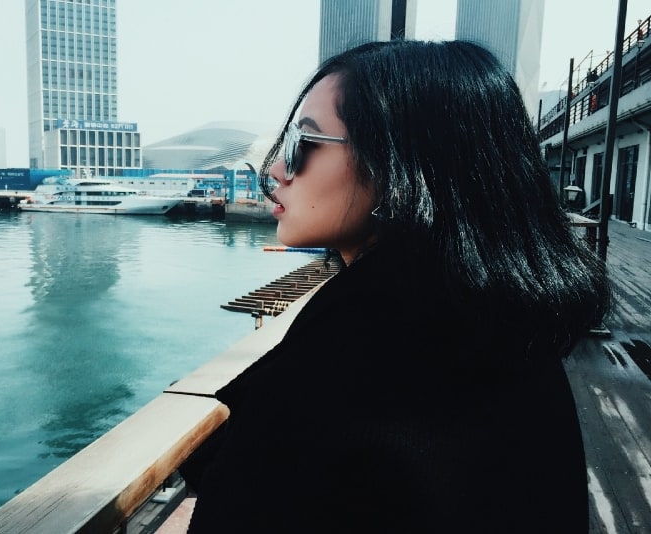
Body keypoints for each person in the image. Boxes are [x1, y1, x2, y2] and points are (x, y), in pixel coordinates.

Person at [178, 40, 610, 533]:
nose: (276, 169)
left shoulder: (351, 354)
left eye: (304, 143)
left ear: (399, 167)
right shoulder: (510, 327)